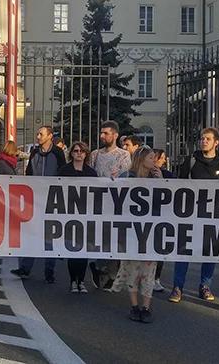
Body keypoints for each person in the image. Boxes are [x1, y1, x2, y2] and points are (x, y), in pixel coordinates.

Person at [169, 127, 219, 304]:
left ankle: (205, 286)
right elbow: (180, 184)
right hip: (190, 214)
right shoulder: (191, 161)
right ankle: (178, 287)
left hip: (213, 215)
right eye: (202, 138)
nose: (204, 141)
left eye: (208, 139)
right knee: (183, 251)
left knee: (209, 252)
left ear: (216, 142)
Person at [110, 146, 161, 323]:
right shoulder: (127, 177)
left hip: (150, 231)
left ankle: (146, 307)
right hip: (131, 231)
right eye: (151, 158)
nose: (154, 161)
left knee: (149, 271)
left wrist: (161, 181)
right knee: (131, 269)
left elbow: (166, 200)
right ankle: (134, 306)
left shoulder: (157, 178)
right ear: (141, 160)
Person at [11, 126, 66, 283]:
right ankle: (25, 268)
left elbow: (62, 173)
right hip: (35, 199)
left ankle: (49, 271)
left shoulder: (57, 153)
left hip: (53, 199)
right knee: (32, 233)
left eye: (41, 134)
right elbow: (29, 173)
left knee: (50, 236)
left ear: (50, 136)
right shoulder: (35, 152)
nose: (38, 136)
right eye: (37, 133)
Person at [87, 121, 131, 290]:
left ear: (115, 135)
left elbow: (124, 176)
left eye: (106, 133)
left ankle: (109, 272)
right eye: (101, 133)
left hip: (116, 202)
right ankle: (100, 268)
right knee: (100, 238)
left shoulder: (123, 155)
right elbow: (91, 174)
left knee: (114, 239)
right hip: (98, 201)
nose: (102, 136)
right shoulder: (95, 154)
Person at [58, 142, 97, 293]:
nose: (79, 153)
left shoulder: (91, 173)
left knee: (84, 250)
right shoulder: (64, 171)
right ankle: (73, 280)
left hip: (86, 215)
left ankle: (81, 280)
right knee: (72, 250)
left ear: (86, 154)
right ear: (71, 153)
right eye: (76, 151)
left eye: (82, 151)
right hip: (69, 214)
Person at [151, 149, 176, 292]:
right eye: (161, 158)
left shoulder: (168, 175)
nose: (163, 161)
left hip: (162, 216)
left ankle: (156, 279)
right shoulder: (143, 174)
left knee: (159, 249)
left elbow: (172, 192)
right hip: (147, 216)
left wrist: (161, 180)